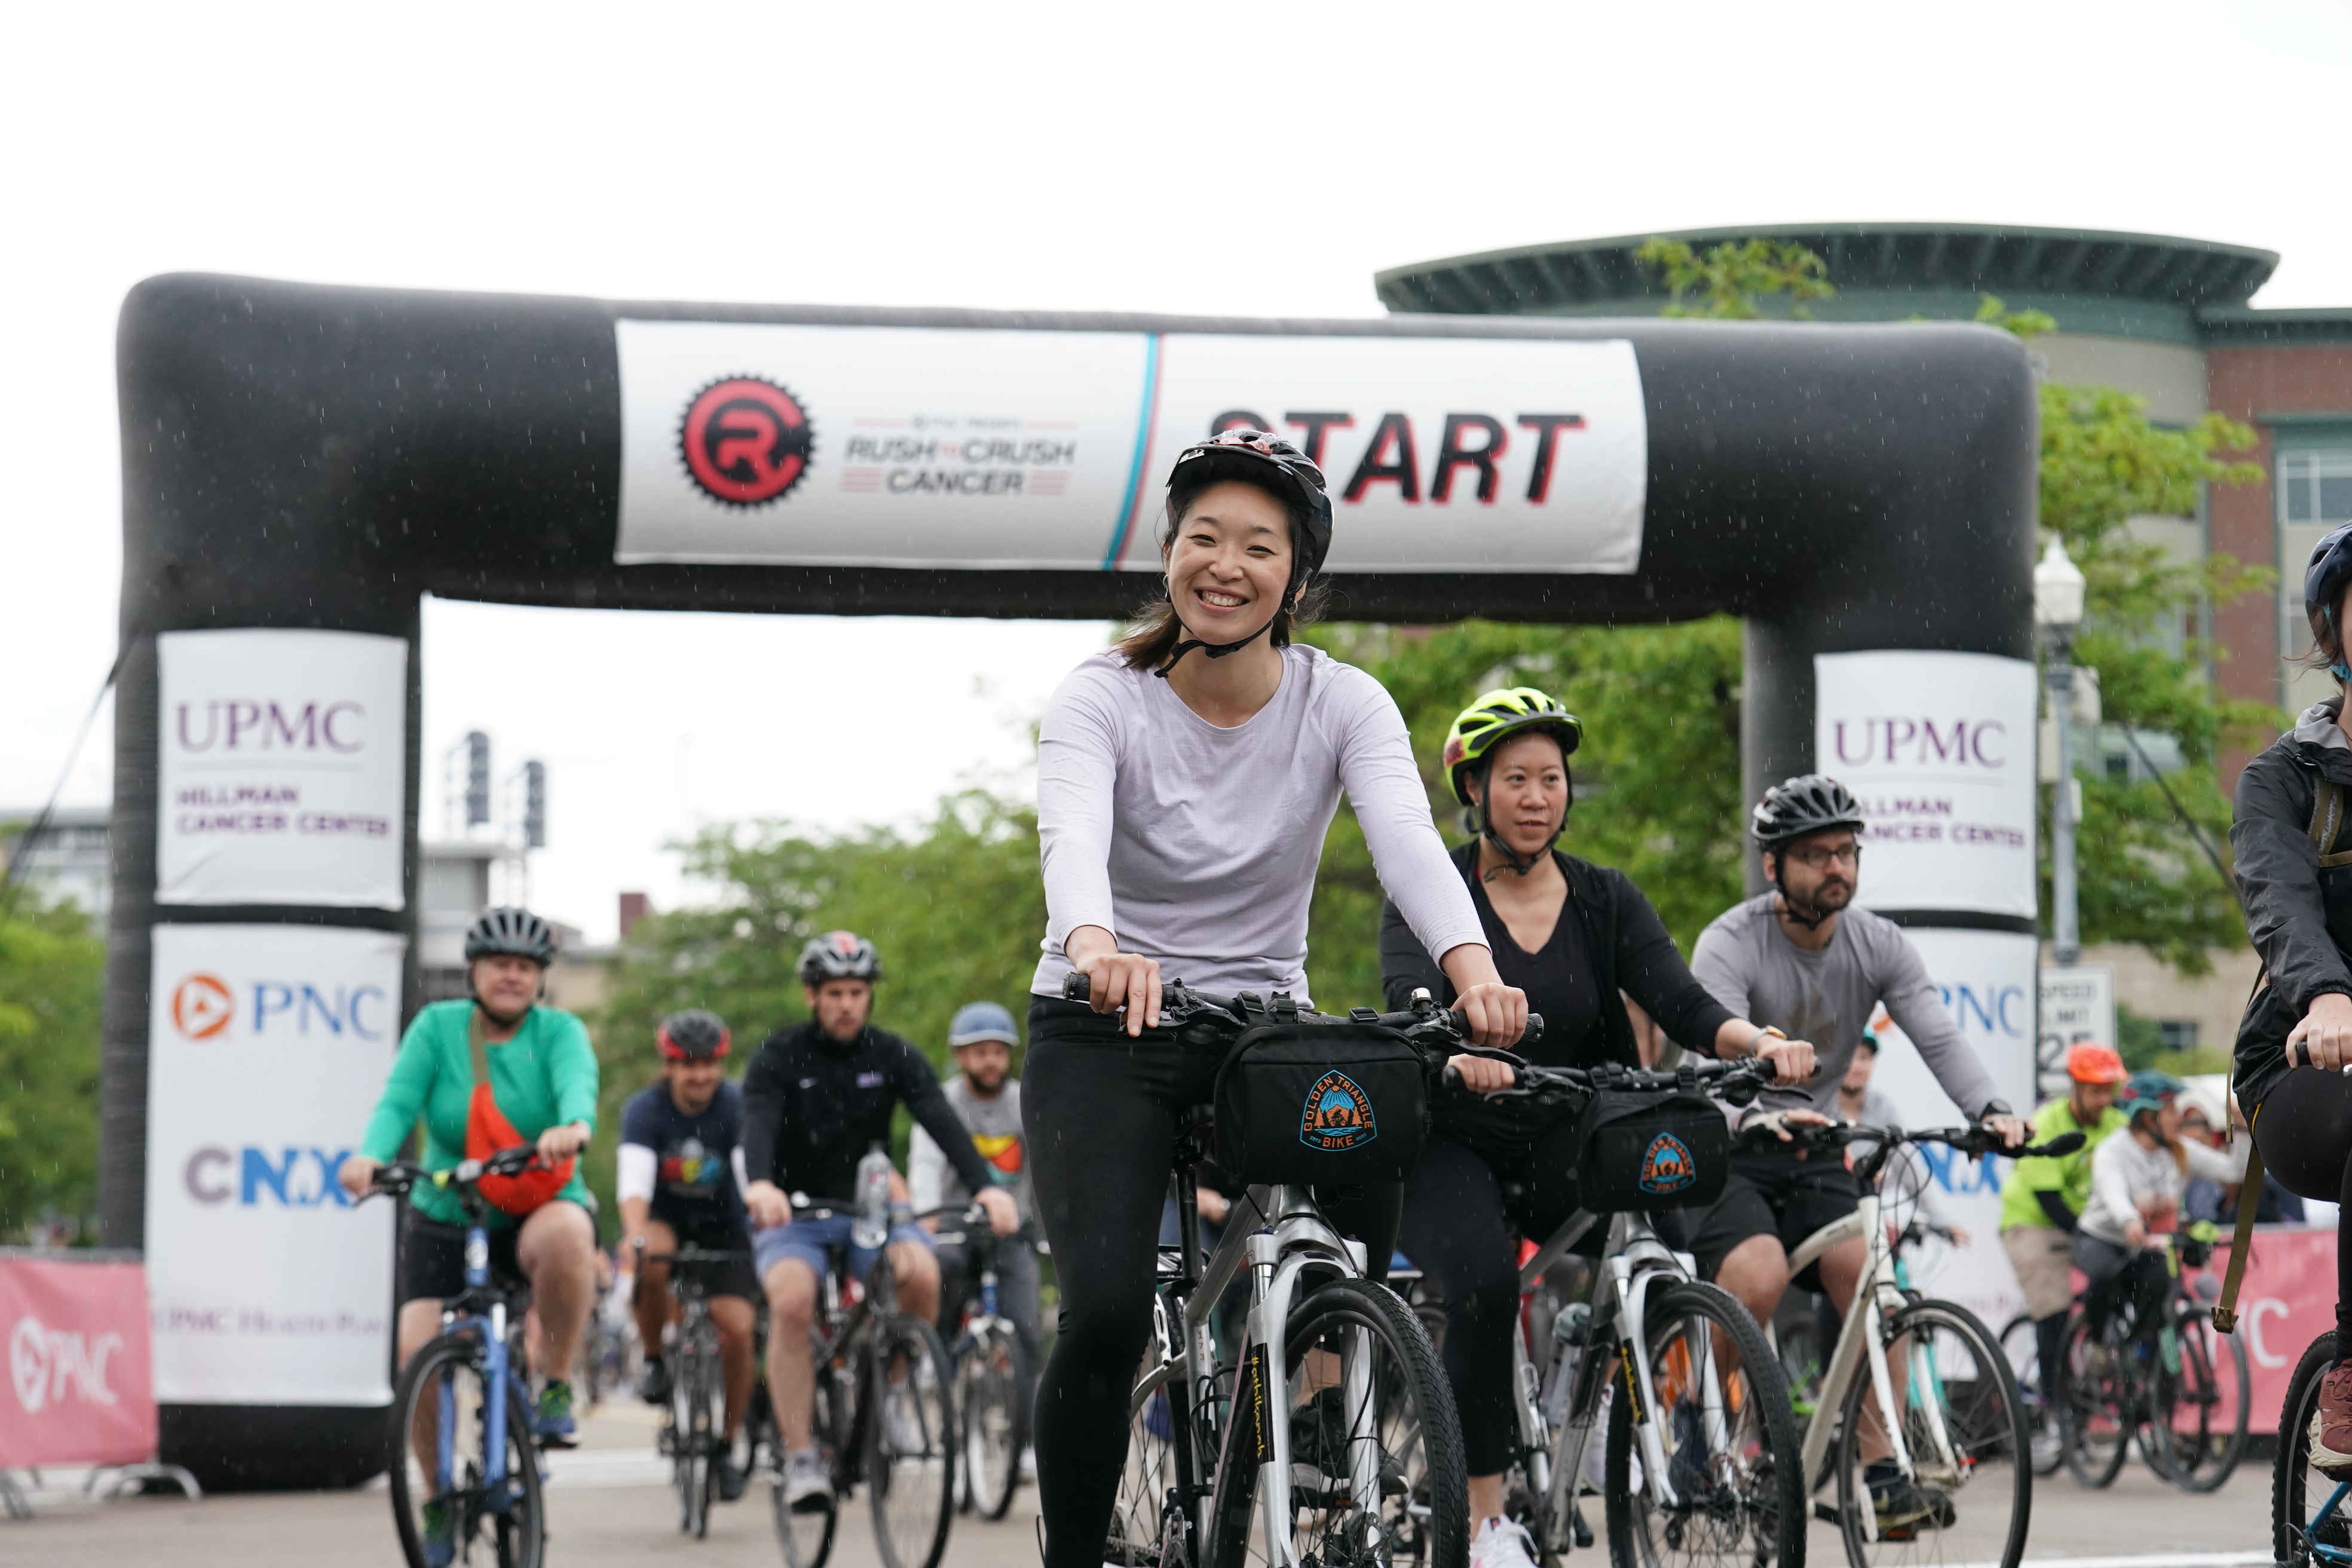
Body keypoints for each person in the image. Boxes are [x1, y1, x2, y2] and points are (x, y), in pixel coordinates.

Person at [1025, 428, 1530, 1568]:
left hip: (1257, 1024)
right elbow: (1073, 836)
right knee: (1105, 1313)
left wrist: (1476, 971)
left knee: (1369, 1137)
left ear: (1295, 581)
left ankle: (1318, 1380)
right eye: (1203, 537)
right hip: (1104, 1022)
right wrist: (1097, 943)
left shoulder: (1342, 699)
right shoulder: (1102, 693)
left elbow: (1407, 842)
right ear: (1170, 555)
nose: (1226, 564)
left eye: (1259, 546)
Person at [1377, 687, 1815, 1545]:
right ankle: (1486, 1519)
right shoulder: (1430, 889)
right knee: (1485, 1285)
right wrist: (1454, 1049)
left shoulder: (1604, 897)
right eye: (1515, 779)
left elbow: (1681, 1000)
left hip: (1561, 1127)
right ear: (1474, 789)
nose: (1537, 797)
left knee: (1661, 1240)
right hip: (1453, 1134)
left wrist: (1758, 1041)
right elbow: (1410, 998)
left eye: (1551, 778)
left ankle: (1621, 1398)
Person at [1689, 774, 2026, 1531]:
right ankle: (1701, 1426)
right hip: (1731, 1140)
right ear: (1774, 865)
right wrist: (1751, 1114)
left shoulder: (1878, 943)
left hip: (1816, 1145)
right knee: (1758, 1274)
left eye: (1845, 851)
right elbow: (1709, 1051)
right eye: (1815, 855)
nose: (1836, 867)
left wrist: (1990, 1110)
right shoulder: (1731, 940)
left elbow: (1937, 1032)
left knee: (1877, 1284)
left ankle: (1880, 1472)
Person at [740, 932, 1019, 1510]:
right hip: (793, 1211)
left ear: (869, 995)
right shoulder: (778, 1054)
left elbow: (942, 1121)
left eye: (857, 992)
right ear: (812, 995)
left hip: (868, 1208)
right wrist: (762, 1183)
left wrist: (987, 1188)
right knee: (792, 1301)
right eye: (835, 992)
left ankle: (888, 1393)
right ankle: (801, 1456)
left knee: (922, 1273)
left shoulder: (893, 1054)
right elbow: (759, 1122)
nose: (847, 1003)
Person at [338, 907, 601, 1452]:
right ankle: (436, 1490)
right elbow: (398, 1102)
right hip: (448, 1207)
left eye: (525, 968)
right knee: (416, 1354)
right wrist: (370, 1157)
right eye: (499, 964)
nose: (512, 977)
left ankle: (554, 1385)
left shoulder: (559, 1032)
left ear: (540, 978)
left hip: (535, 1202)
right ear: (474, 971)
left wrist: (574, 1126)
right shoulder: (437, 1027)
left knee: (567, 1236)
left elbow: (577, 1084)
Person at [2231, 517, 2352, 1471]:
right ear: (2332, 629)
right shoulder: (2284, 779)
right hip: (2305, 1068)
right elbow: (2279, 900)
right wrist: (2328, 997)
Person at [617, 1009, 760, 1502]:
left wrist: (761, 1212)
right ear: (669, 1066)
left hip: (726, 1226)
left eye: (708, 1064)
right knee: (650, 1254)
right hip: (668, 1221)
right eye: (688, 1065)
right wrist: (634, 1233)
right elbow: (635, 1180)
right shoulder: (645, 1110)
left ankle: (726, 1443)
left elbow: (746, 1169)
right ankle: (655, 1357)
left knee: (738, 1329)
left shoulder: (737, 1106)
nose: (700, 1075)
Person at [1997, 1040, 2127, 1457]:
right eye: (2095, 1090)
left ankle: (2097, 1348)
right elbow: (2049, 1199)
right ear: (2075, 1086)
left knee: (2121, 1277)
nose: (2104, 1099)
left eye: (2109, 1089)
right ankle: (2055, 1416)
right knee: (2053, 1311)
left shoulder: (2118, 1125)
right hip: (2033, 1222)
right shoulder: (2047, 1122)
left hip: (2085, 1223)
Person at [910, 1001, 1042, 1411]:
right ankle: (937, 1362)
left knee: (1027, 1328)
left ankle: (1024, 1429)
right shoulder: (943, 1103)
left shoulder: (1024, 1102)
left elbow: (1045, 1166)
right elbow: (926, 1163)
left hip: (1009, 1230)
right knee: (945, 1283)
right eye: (981, 1052)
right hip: (954, 1227)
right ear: (960, 1056)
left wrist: (1049, 1225)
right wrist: (927, 1214)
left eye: (999, 1052)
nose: (991, 1061)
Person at [2074, 1071, 2244, 1352]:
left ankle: (2144, 1354)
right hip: (2102, 1238)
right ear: (2147, 1116)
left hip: (2148, 1244)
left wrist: (2241, 1129)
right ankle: (2098, 1346)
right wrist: (2129, 1221)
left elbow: (2235, 1172)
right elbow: (2113, 1192)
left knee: (2160, 1283)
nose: (2179, 1118)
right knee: (2103, 1276)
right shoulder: (2112, 1151)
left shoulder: (2180, 1150)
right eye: (2171, 1110)